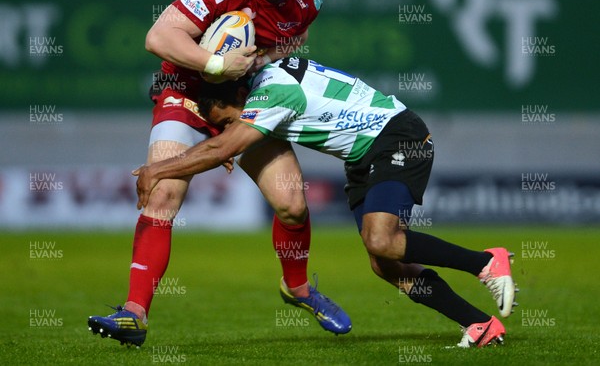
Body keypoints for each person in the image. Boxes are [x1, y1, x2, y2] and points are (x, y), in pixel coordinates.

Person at [88, 0, 350, 347]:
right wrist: (214, 64)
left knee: (292, 204)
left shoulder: (307, 0)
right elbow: (158, 36)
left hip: (244, 105)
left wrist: (259, 66)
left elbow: (294, 38)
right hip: (186, 92)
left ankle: (298, 289)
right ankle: (134, 313)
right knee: (164, 192)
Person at [133, 57, 518, 348]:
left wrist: (157, 170)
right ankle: (478, 323)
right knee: (385, 264)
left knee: (382, 238)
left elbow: (221, 148)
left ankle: (484, 262)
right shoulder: (267, 74)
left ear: (238, 94)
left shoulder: (271, 94)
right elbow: (225, 142)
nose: (230, 127)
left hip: (397, 139)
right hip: (363, 157)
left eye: (228, 119)